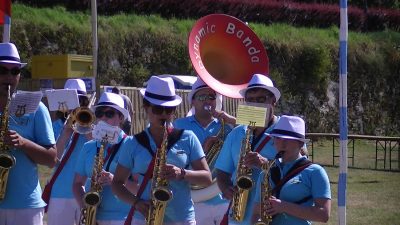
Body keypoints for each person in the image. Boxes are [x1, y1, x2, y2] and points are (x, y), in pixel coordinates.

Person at [111, 76, 212, 225]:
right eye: (158, 109)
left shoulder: (188, 138)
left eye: (169, 109)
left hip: (182, 217)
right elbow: (117, 183)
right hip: (145, 216)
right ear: (146, 107)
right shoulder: (133, 143)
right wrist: (136, 203)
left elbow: (207, 177)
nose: (164, 114)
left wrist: (182, 173)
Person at [0, 43, 57, 225]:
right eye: (2, 70)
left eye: (15, 71)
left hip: (26, 206)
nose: (9, 77)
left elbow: (51, 159)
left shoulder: (36, 108)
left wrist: (23, 142)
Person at [215, 73, 282, 225]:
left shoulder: (286, 130)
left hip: (274, 215)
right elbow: (222, 171)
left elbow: (300, 168)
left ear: (273, 101)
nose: (255, 105)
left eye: (261, 100)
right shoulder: (237, 133)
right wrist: (225, 188)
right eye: (250, 100)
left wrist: (267, 164)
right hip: (239, 215)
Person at [173, 77, 235, 225]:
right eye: (202, 97)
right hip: (192, 199)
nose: (207, 101)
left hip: (222, 198)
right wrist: (202, 150)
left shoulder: (226, 126)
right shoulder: (179, 125)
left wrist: (231, 120)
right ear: (192, 101)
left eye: (211, 97)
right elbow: (173, 159)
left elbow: (250, 132)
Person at [251, 115, 331, 224]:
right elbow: (256, 212)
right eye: (278, 138)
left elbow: (323, 215)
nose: (282, 144)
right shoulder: (266, 172)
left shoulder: (315, 172)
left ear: (301, 143)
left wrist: (283, 206)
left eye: (288, 140)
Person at [72, 92, 133, 225]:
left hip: (124, 217)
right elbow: (77, 184)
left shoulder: (132, 145)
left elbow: (141, 188)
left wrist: (116, 181)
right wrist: (86, 207)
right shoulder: (88, 146)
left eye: (109, 113)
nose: (103, 118)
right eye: (99, 113)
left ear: (121, 117)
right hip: (94, 217)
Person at [44, 79, 92, 225]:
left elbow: (99, 155)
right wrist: (66, 131)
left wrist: (87, 129)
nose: (76, 105)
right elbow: (53, 160)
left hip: (86, 192)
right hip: (60, 193)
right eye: (72, 100)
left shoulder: (93, 125)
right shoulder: (55, 126)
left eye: (80, 100)